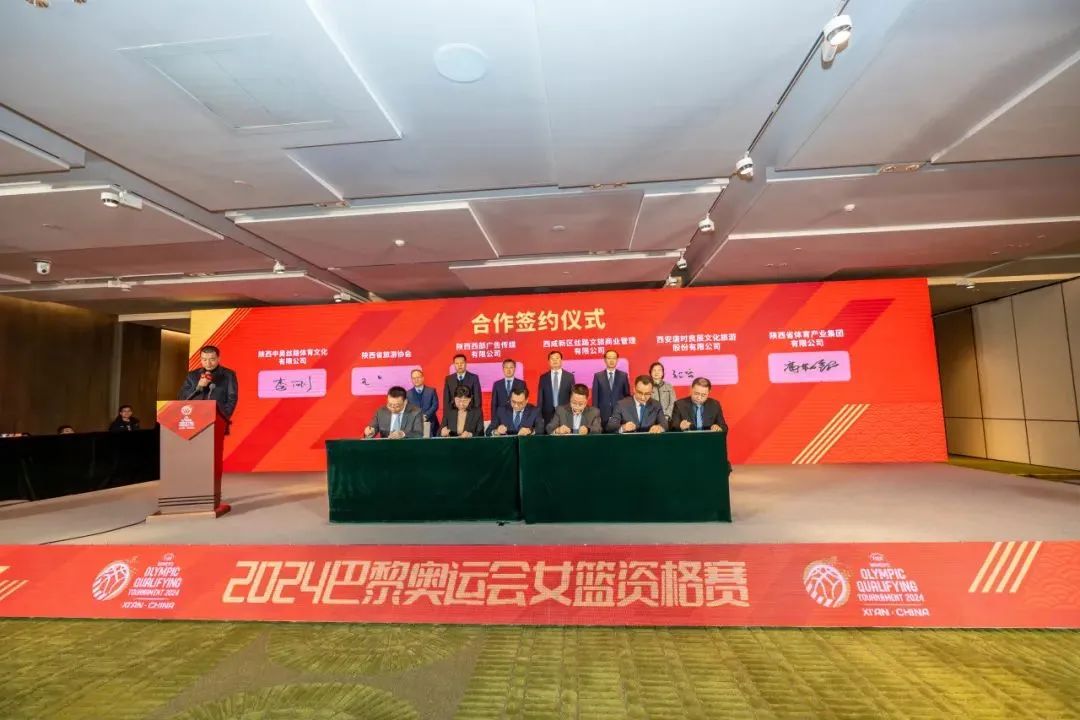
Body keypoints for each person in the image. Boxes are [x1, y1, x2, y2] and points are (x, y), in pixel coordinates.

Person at [178, 345, 239, 425]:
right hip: (194, 419)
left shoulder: (229, 374)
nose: (208, 363)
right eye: (204, 360)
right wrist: (198, 387)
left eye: (212, 359)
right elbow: (182, 397)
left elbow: (232, 397)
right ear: (200, 359)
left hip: (217, 419)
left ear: (218, 358)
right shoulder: (192, 375)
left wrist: (223, 417)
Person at [591, 349, 630, 430]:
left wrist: (626, 413)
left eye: (614, 358)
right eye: (609, 358)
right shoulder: (598, 376)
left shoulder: (623, 376)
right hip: (603, 414)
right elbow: (595, 398)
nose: (611, 361)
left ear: (617, 360)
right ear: (605, 360)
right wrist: (596, 416)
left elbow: (627, 396)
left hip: (619, 414)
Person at [537, 350, 575, 424]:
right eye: (552, 359)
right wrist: (539, 415)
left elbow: (572, 396)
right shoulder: (543, 378)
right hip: (547, 414)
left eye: (557, 358)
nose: (555, 360)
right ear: (548, 361)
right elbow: (540, 398)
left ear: (561, 360)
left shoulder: (569, 377)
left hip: (565, 412)